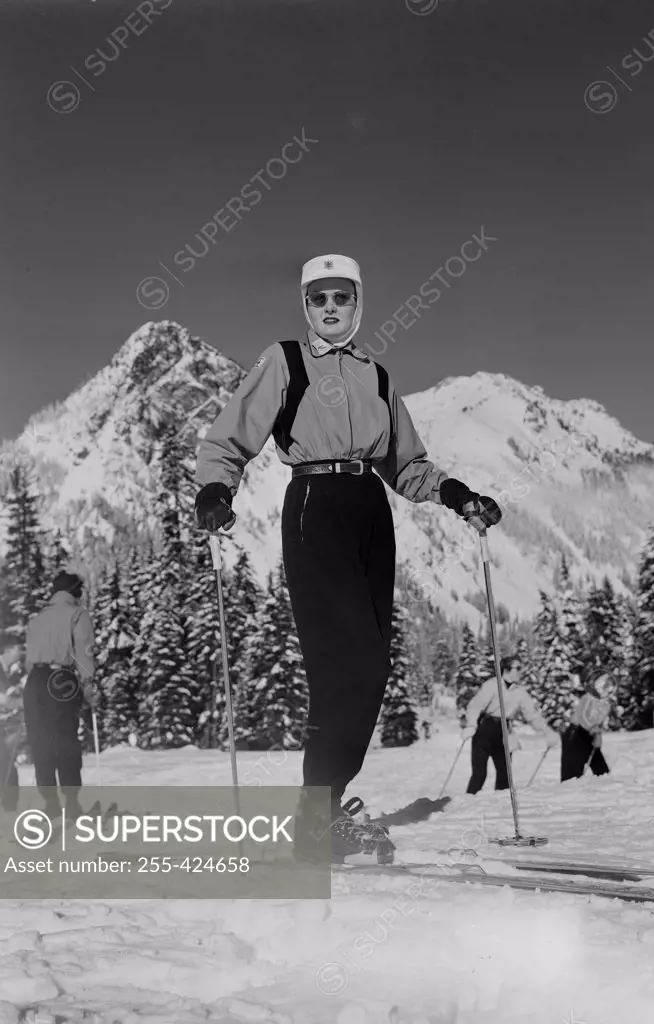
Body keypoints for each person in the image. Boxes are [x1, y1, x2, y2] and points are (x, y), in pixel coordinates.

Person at [194, 253, 502, 863]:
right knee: (346, 664)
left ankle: (325, 809)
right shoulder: (285, 361)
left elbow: (406, 464)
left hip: (369, 509)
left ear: (358, 304)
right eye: (318, 299)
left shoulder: (377, 377)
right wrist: (215, 487)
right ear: (306, 307)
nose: (330, 309)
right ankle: (317, 813)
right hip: (314, 503)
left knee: (372, 666)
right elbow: (232, 433)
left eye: (341, 298)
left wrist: (457, 495)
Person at [24, 572, 96, 818]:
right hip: (61, 679)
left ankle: (50, 801)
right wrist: (88, 684)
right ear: (74, 591)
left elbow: (28, 659)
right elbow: (84, 652)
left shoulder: (37, 619)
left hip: (34, 682)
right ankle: (72, 802)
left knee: (40, 740)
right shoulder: (78, 614)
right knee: (65, 738)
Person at [462, 655, 559, 794]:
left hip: (504, 731)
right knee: (479, 774)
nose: (521, 671)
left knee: (505, 775)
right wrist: (471, 725)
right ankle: (467, 803)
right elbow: (475, 706)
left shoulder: (520, 692)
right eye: (517, 668)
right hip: (485, 729)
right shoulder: (492, 685)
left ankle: (502, 806)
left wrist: (547, 731)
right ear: (506, 670)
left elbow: (532, 715)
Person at [0, 640, 24, 810]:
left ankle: (9, 805)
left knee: (5, 766)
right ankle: (9, 807)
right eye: (18, 648)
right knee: (5, 766)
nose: (21, 652)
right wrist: (12, 702)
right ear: (7, 649)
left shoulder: (0, 669)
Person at [561, 678, 611, 781]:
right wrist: (592, 728)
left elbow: (599, 723)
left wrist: (598, 735)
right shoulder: (588, 698)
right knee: (572, 775)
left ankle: (604, 791)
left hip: (589, 735)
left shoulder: (606, 705)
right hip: (576, 734)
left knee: (601, 771)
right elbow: (583, 717)